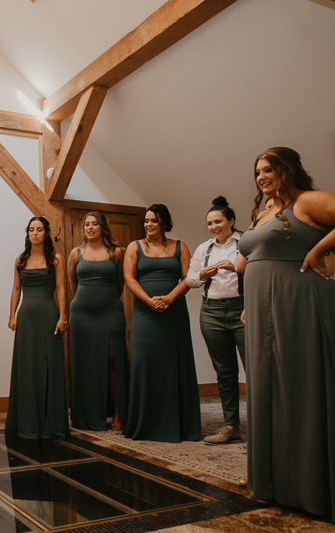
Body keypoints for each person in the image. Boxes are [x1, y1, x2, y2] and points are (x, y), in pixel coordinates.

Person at [236, 147, 335, 519]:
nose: (261, 176)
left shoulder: (308, 201)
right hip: (261, 311)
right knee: (266, 391)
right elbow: (249, 261)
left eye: (268, 169)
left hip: (300, 303)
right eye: (257, 171)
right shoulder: (263, 213)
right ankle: (273, 478)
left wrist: (318, 250)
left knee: (300, 387)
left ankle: (309, 485)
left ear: (287, 170)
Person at [123, 204, 201, 443]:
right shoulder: (134, 247)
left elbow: (188, 278)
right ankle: (145, 424)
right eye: (146, 220)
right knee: (145, 363)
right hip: (145, 314)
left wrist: (169, 298)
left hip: (174, 312)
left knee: (175, 364)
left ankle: (180, 425)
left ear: (164, 223)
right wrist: (149, 301)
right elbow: (128, 277)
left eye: (154, 221)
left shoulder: (180, 247)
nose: (148, 225)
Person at [186, 196, 245, 445]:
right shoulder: (204, 248)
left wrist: (236, 268)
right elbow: (189, 281)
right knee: (224, 371)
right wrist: (201, 274)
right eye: (210, 223)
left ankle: (268, 423)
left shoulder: (245, 243)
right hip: (211, 313)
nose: (214, 227)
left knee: (256, 368)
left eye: (218, 221)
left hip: (243, 310)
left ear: (231, 220)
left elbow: (262, 272)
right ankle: (231, 425)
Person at [5, 216, 70, 439]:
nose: (35, 233)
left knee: (49, 365)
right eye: (31, 229)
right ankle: (25, 422)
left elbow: (61, 289)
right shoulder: (20, 260)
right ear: (28, 233)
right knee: (27, 368)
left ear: (46, 233)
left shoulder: (56, 259)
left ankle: (51, 424)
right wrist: (12, 315)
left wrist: (63, 317)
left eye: (39, 229)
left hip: (49, 316)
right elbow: (15, 289)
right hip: (26, 318)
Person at [67, 211, 128, 432]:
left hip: (111, 311)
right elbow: (73, 284)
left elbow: (120, 283)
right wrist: (87, 301)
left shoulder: (117, 252)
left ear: (103, 227)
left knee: (113, 359)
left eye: (94, 224)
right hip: (82, 313)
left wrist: (106, 300)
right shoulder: (76, 253)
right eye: (86, 224)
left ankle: (119, 413)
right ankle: (88, 416)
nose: (90, 227)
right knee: (86, 362)